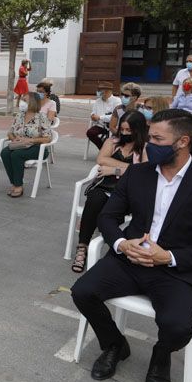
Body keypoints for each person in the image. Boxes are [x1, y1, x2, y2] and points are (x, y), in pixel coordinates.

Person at [71, 108, 192, 382]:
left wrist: (168, 257)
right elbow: (108, 217)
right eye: (149, 137)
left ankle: (161, 356)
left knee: (177, 327)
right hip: (129, 260)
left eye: (158, 139)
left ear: (183, 142)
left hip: (175, 271)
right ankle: (114, 345)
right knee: (82, 291)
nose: (149, 144)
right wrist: (123, 244)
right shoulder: (138, 173)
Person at [72, 111, 150, 273]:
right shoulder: (113, 141)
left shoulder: (145, 147)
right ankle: (83, 247)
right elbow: (101, 160)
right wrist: (127, 169)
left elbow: (144, 171)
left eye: (129, 130)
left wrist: (114, 170)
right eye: (122, 129)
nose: (125, 133)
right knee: (95, 199)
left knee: (106, 208)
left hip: (128, 194)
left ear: (138, 129)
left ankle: (108, 247)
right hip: (104, 187)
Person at [0, 91, 52, 198]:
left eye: (24, 100)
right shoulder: (19, 115)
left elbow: (48, 138)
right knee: (4, 153)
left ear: (32, 102)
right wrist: (14, 138)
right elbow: (10, 132)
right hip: (19, 145)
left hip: (37, 148)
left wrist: (30, 140)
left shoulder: (41, 117)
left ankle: (18, 186)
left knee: (16, 155)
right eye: (22, 100)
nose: (21, 102)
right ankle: (14, 182)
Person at [87, 81, 121, 150]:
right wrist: (93, 116)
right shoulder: (97, 101)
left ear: (109, 91)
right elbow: (93, 112)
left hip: (113, 126)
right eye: (100, 90)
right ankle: (103, 149)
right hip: (100, 125)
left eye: (102, 90)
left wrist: (100, 117)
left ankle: (108, 150)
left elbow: (116, 116)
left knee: (116, 136)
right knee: (90, 133)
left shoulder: (117, 101)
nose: (100, 92)